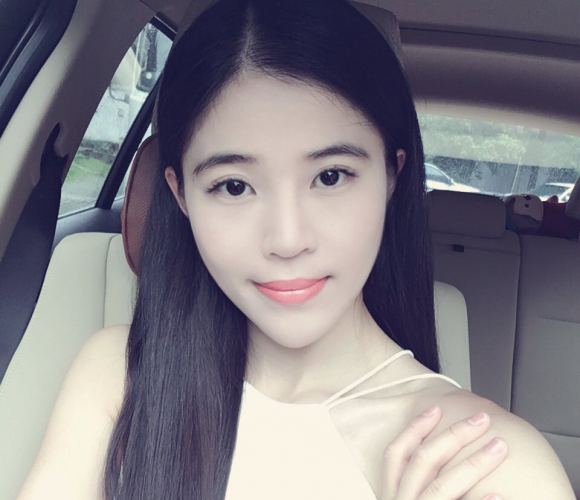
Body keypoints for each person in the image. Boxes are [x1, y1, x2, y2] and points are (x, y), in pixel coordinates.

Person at [17, 1, 575, 499]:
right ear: (180, 195)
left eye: (331, 176)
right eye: (233, 186)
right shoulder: (117, 376)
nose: (287, 240)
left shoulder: (488, 465)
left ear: (391, 177)